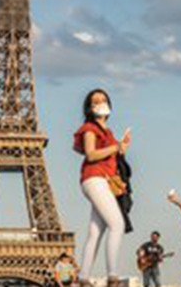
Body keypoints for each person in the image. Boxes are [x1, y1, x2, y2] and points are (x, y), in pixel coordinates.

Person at [73, 89, 131, 287]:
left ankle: (83, 278)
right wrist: (116, 147)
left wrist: (121, 147)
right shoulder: (89, 128)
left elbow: (111, 159)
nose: (100, 103)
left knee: (96, 231)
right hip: (94, 178)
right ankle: (112, 277)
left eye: (104, 100)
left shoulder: (109, 133)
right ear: (89, 108)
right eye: (95, 101)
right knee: (117, 224)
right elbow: (90, 155)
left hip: (101, 181)